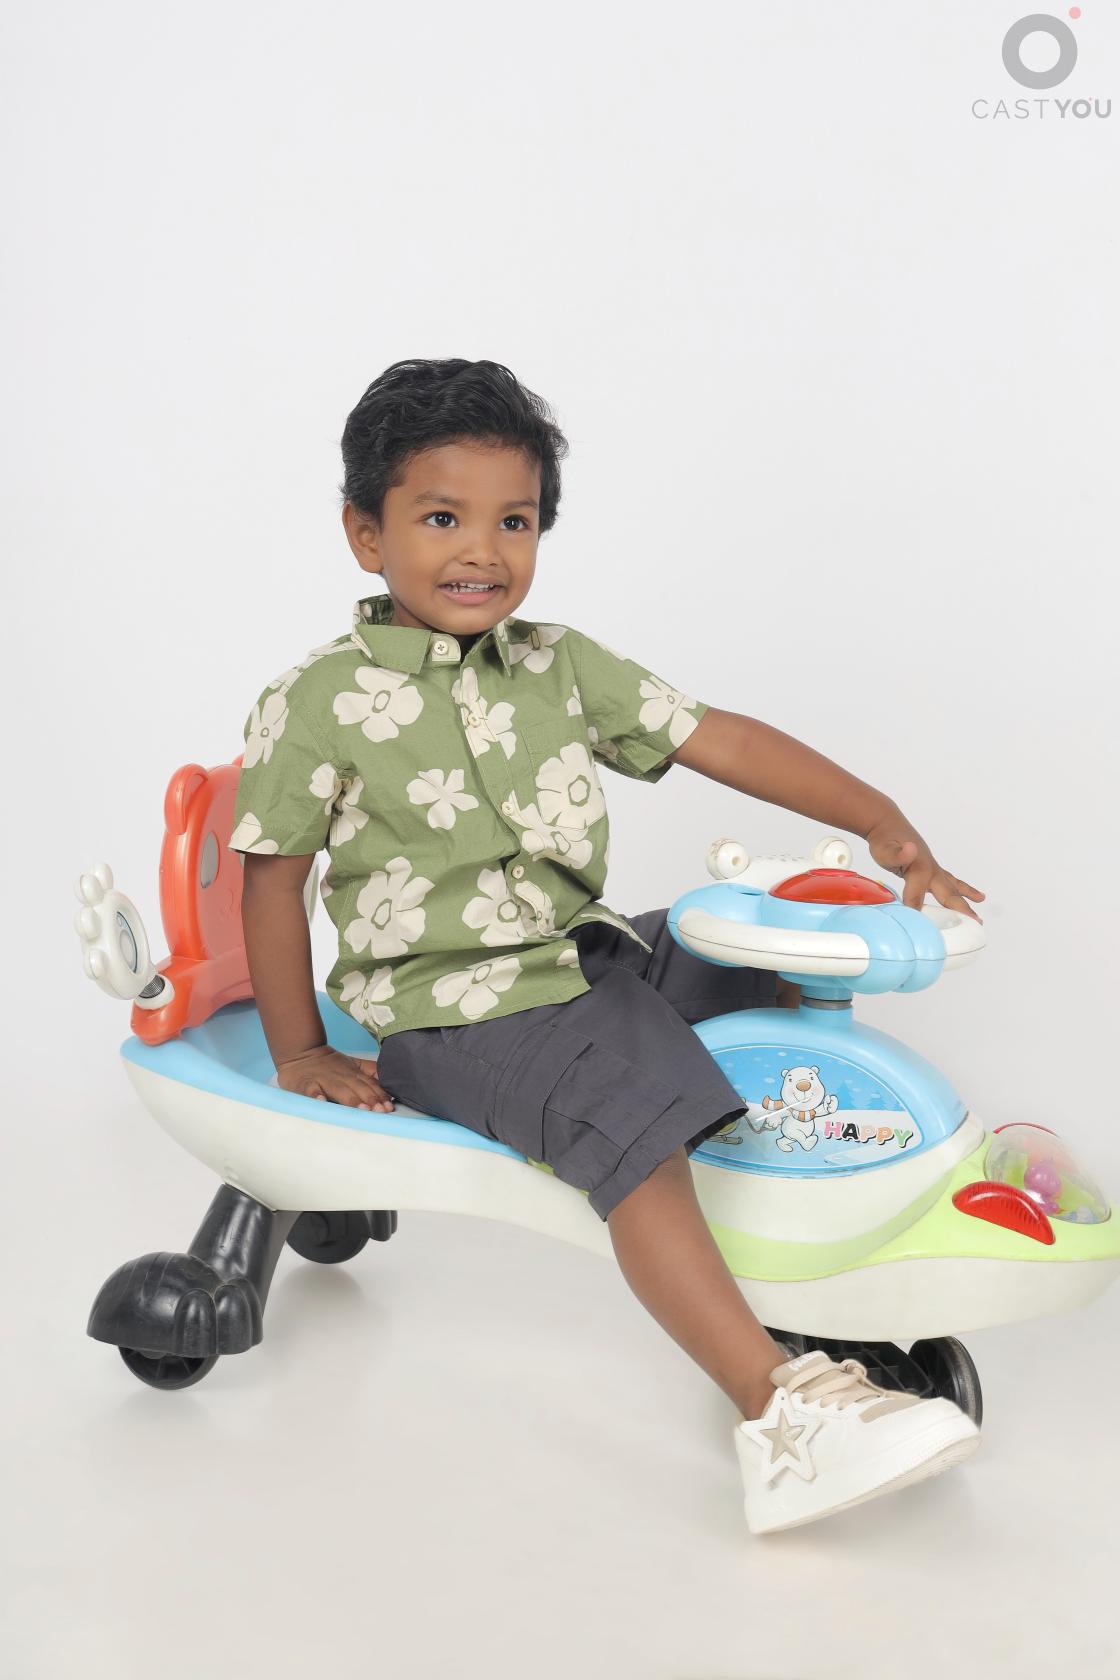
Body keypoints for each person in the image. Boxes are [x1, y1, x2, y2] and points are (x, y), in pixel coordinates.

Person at [229, 357, 986, 1534]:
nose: (483, 551)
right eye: (442, 518)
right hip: (451, 1009)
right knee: (630, 1099)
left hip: (580, 956)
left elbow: (719, 737)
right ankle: (779, 1412)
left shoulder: (560, 664)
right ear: (364, 534)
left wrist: (876, 819)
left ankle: (806, 1266)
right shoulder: (316, 700)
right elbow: (272, 879)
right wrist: (298, 1051)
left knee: (749, 961)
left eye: (514, 520)